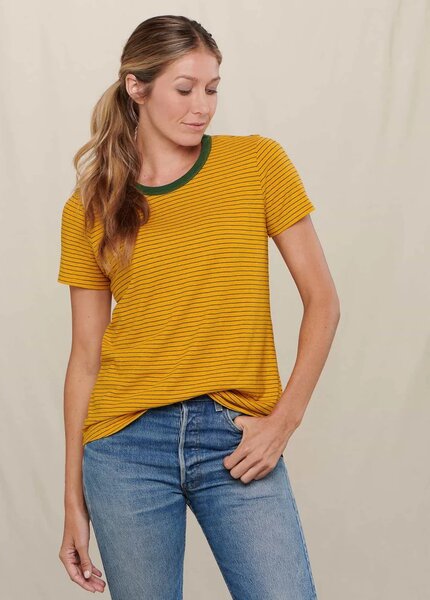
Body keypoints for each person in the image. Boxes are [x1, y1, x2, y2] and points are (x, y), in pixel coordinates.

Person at [57, 15, 339, 600]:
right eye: (184, 89)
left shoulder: (256, 163)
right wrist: (72, 503)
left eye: (212, 88)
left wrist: (283, 422)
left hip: (235, 436)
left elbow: (323, 301)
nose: (202, 106)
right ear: (136, 87)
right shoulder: (90, 205)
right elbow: (85, 357)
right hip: (124, 447)